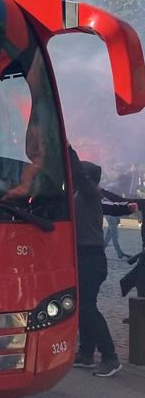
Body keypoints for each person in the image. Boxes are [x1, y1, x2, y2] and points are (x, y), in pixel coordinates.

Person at [69, 147, 136, 377]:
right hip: (86, 258)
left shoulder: (88, 194)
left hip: (90, 259)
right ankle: (86, 353)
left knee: (86, 307)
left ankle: (110, 357)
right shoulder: (83, 195)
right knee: (83, 305)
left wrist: (67, 148)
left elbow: (78, 171)